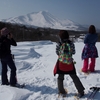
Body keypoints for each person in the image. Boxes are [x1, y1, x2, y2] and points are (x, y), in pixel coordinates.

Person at [53, 30, 85, 98]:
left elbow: (57, 52)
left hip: (61, 63)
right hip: (69, 63)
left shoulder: (59, 44)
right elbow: (73, 52)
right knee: (74, 77)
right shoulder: (71, 43)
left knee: (60, 77)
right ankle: (81, 91)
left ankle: (61, 91)